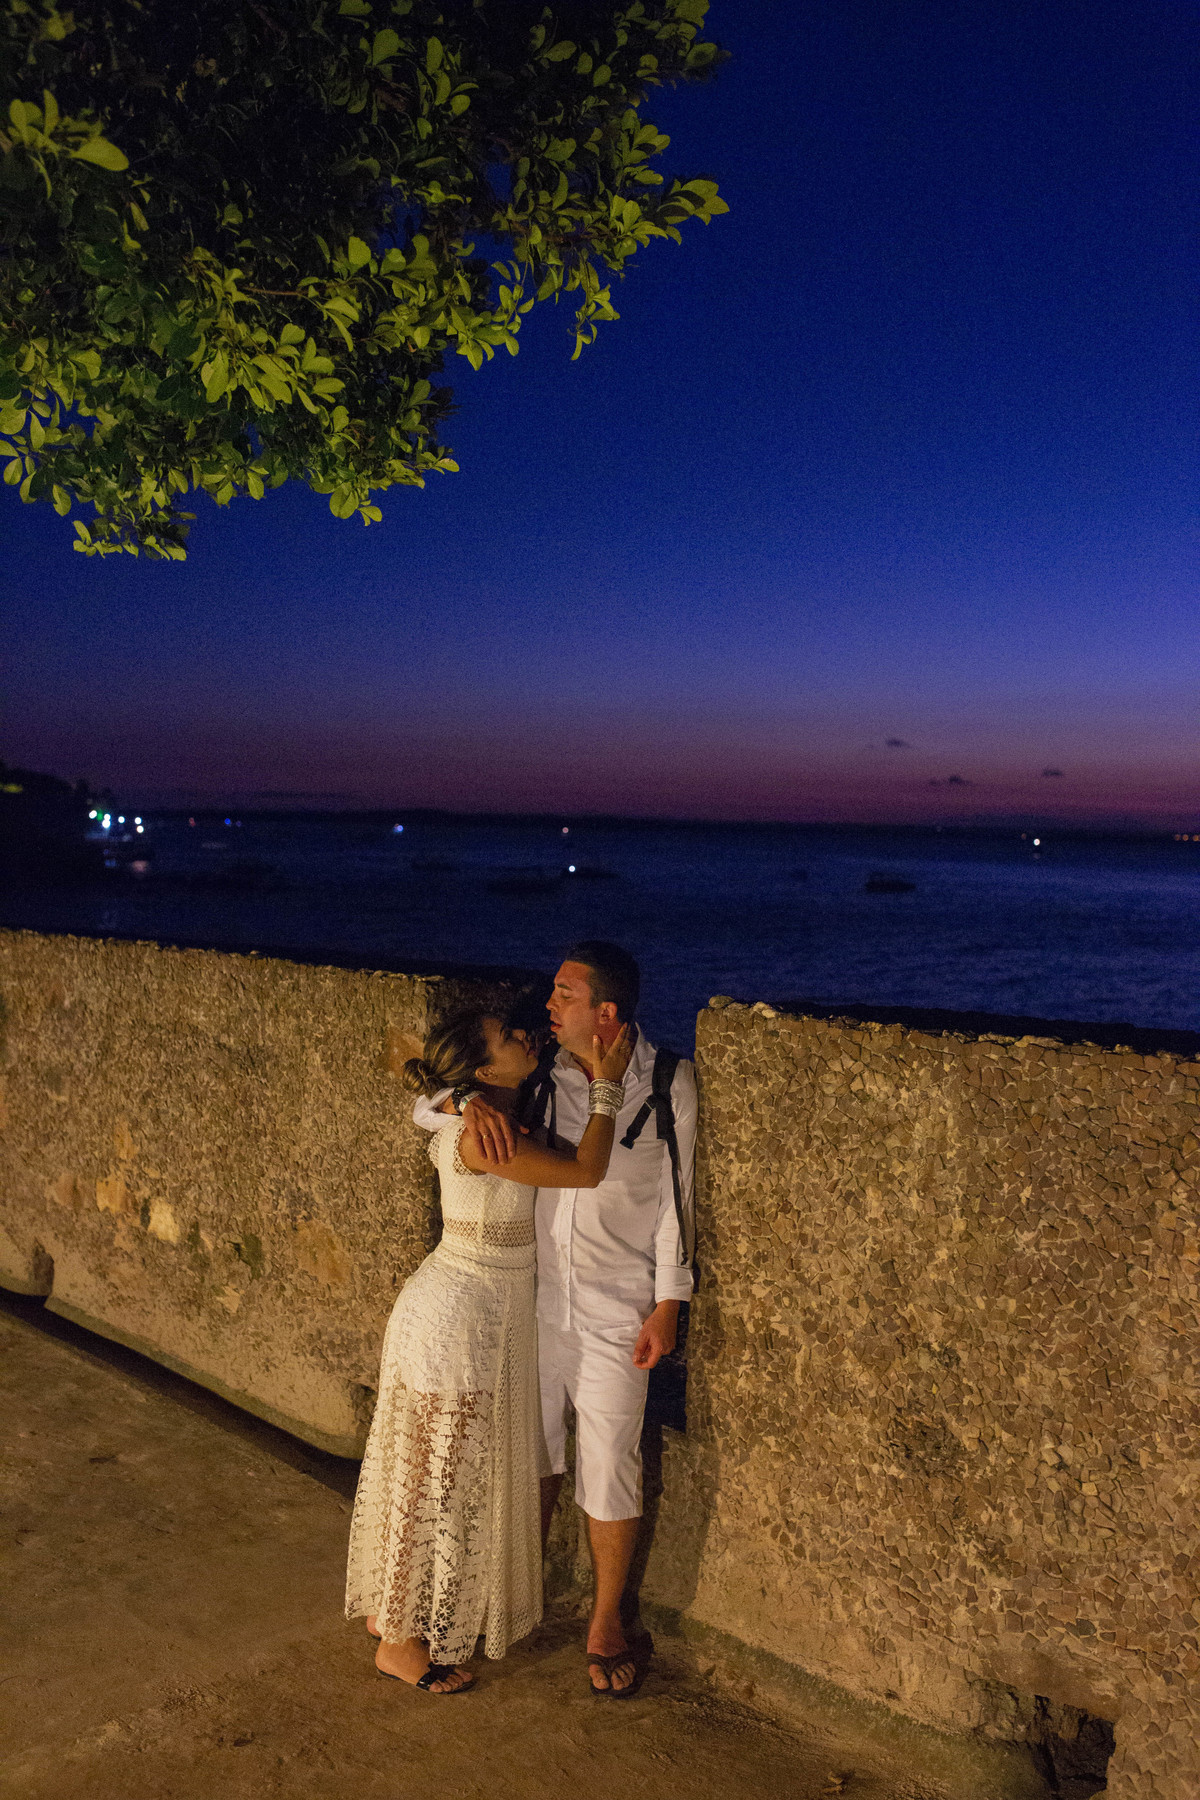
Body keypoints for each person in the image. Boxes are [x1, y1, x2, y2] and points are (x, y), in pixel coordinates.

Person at [413, 942, 697, 1696]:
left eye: (564, 995)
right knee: (529, 1453)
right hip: (534, 1303)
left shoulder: (668, 1082)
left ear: (606, 1011)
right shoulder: (535, 1081)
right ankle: (515, 1592)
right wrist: (461, 1100)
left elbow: (678, 1201)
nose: (548, 1005)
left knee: (610, 1463)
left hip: (616, 1305)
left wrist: (669, 1305)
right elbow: (424, 1103)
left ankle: (607, 1619)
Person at [345, 1002, 633, 1693]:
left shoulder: (477, 1113)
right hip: (460, 1315)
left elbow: (429, 1103)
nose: (525, 1035)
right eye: (509, 1037)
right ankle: (401, 1640)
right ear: (480, 1068)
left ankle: (391, 1618)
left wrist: (469, 1096)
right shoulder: (478, 1133)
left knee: (429, 1472)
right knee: (435, 1479)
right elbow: (588, 1170)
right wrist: (608, 1087)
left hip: (472, 1310)